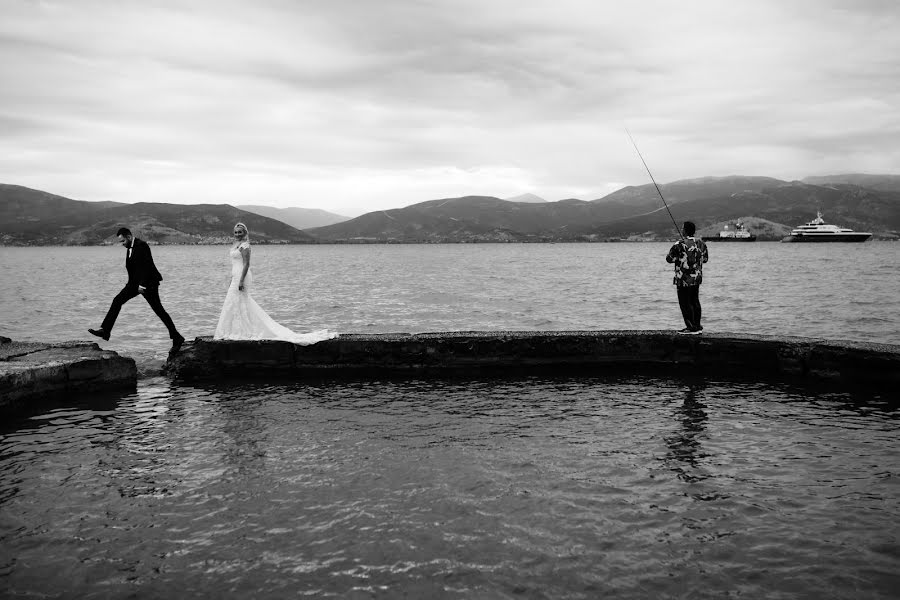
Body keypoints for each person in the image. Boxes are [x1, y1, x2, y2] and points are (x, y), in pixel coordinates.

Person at [213, 222, 337, 344]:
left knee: (240, 300)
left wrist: (240, 280)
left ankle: (246, 330)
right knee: (234, 301)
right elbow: (235, 264)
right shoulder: (236, 245)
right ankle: (236, 330)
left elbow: (246, 264)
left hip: (243, 276)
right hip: (235, 275)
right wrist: (232, 279)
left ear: (245, 233)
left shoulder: (245, 246)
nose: (237, 234)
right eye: (235, 232)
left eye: (240, 232)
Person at [89, 227, 185, 352]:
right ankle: (105, 331)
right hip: (134, 284)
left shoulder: (142, 245)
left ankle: (177, 337)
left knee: (159, 311)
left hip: (148, 284)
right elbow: (134, 268)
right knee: (117, 300)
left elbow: (147, 266)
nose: (122, 244)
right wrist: (130, 285)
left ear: (129, 237)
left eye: (123, 241)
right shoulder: (129, 248)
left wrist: (143, 285)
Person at [665, 221, 709, 334]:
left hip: (683, 279)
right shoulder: (701, 243)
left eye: (682, 228)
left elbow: (669, 259)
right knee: (695, 301)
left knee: (685, 303)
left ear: (684, 230)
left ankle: (690, 327)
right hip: (697, 279)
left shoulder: (678, 244)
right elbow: (705, 259)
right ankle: (697, 325)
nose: (682, 230)